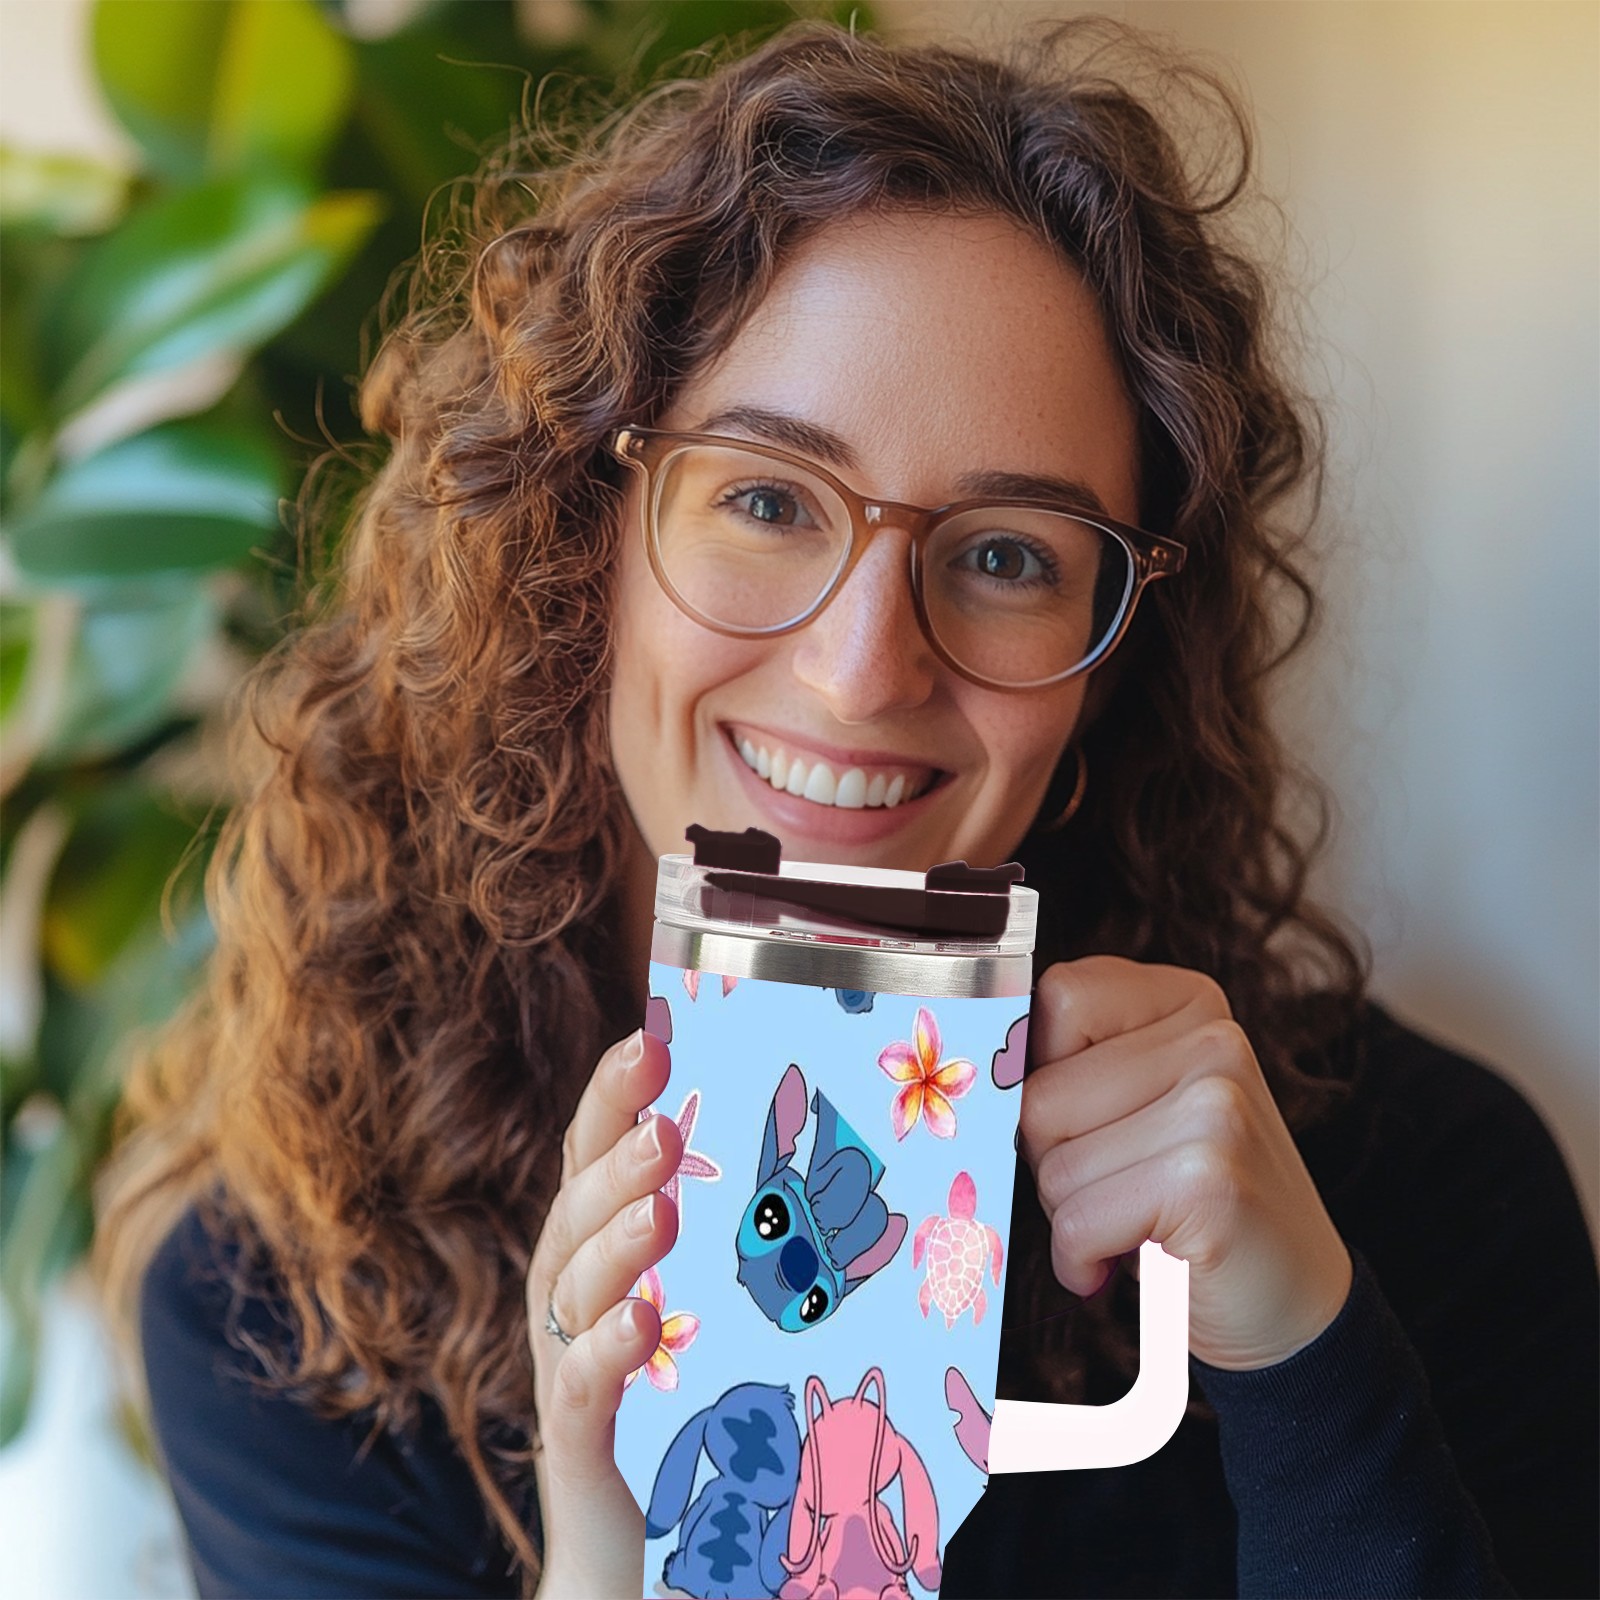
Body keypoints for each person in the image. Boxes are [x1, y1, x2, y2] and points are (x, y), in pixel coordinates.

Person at [96, 18, 1597, 1600]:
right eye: (765, 499)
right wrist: (613, 1558)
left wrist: (1305, 1367)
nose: (864, 671)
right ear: (580, 550)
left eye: (1007, 554)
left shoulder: (1420, 1194)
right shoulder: (292, 1303)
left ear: (1113, 663)